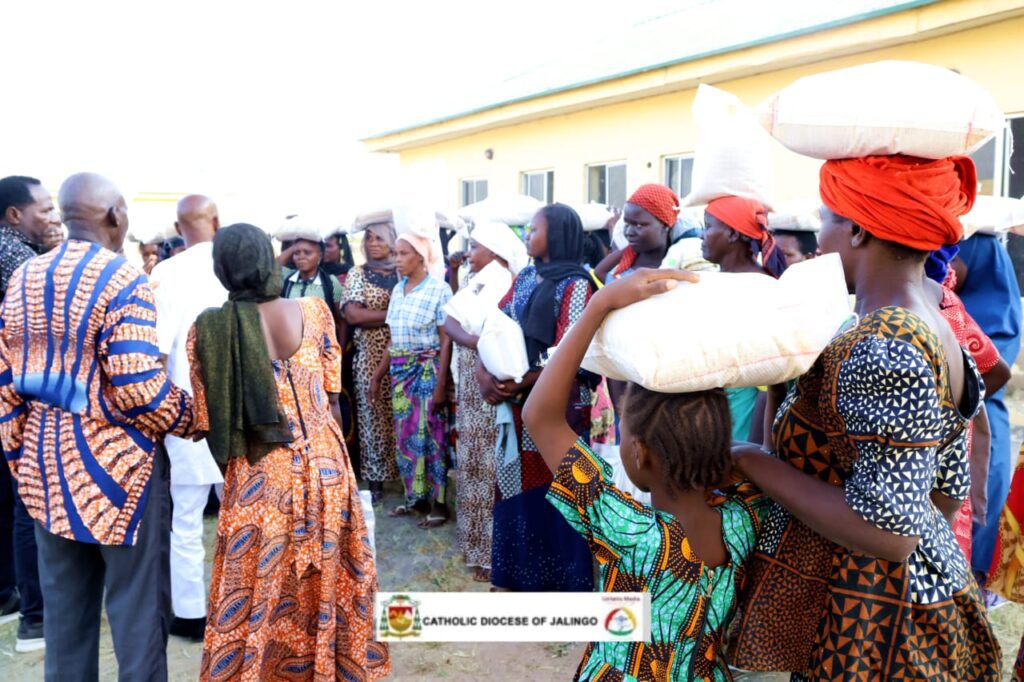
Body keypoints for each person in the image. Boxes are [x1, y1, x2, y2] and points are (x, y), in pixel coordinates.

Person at [731, 155, 1001, 679]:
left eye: (825, 221)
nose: (818, 240)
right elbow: (944, 492)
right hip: (926, 596)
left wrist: (750, 460)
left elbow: (890, 533)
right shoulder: (935, 319)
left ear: (857, 229)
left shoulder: (884, 343)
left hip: (875, 633)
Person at [523, 267, 770, 680]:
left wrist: (598, 305)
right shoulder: (746, 518)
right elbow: (766, 451)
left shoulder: (631, 532)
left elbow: (541, 417)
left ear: (640, 454)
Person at [0, 172, 195, 679]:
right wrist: (192, 417)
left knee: (65, 619)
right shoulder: (121, 277)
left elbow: (6, 378)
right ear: (114, 215)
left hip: (45, 472)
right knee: (136, 615)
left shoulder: (25, 277)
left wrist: (22, 457)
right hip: (118, 477)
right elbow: (137, 386)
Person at [188, 223, 389, 681]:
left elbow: (207, 421)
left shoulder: (209, 331)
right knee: (332, 584)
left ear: (222, 270)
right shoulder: (315, 312)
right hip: (328, 469)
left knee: (258, 594)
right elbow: (333, 397)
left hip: (260, 476)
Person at [477, 203, 595, 591]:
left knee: (558, 486)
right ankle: (519, 575)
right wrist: (485, 374)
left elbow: (569, 348)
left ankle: (560, 582)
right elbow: (496, 325)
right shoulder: (526, 275)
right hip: (518, 400)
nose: (527, 236)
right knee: (516, 481)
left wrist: (523, 380)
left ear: (557, 234)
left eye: (534, 229)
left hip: (556, 408)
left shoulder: (577, 284)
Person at [150, 194, 227, 643]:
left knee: (186, 520)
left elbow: (158, 354)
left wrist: (162, 417)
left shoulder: (166, 272)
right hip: (240, 412)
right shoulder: (241, 264)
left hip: (186, 414)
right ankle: (250, 604)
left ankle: (191, 616)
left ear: (179, 227)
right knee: (249, 515)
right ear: (217, 220)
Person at [444, 221, 525, 579]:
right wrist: (477, 343)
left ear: (494, 250)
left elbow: (487, 331)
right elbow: (452, 321)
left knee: (492, 468)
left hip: (489, 384)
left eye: (475, 247)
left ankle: (494, 554)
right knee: (475, 465)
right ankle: (477, 548)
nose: (470, 253)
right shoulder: (479, 280)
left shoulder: (502, 281)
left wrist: (477, 344)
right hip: (473, 383)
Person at [953, 232, 1024, 584]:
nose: (941, 267)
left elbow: (989, 370)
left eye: (952, 259)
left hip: (982, 433)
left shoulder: (994, 321)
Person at [0, 175, 52, 652]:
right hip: (14, 395)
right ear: (15, 215)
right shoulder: (17, 257)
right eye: (44, 208)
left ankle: (10, 598)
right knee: (25, 504)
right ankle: (35, 619)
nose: (52, 216)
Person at [372, 232, 453, 527]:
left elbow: (446, 342)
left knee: (432, 436)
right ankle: (415, 498)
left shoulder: (439, 290)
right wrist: (377, 376)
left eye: (403, 254)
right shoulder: (398, 290)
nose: (397, 260)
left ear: (420, 257)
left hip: (428, 371)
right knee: (406, 436)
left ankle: (439, 503)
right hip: (400, 373)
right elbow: (394, 340)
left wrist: (442, 385)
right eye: (396, 253)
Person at [701, 196, 788, 442]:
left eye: (708, 227)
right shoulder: (712, 285)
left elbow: (768, 384)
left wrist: (755, 448)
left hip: (741, 426)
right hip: (710, 422)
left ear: (731, 233)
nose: (701, 235)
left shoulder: (761, 292)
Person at [343, 222, 400, 504]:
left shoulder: (404, 270)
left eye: (379, 238)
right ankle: (375, 481)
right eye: (368, 238)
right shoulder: (358, 273)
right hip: (369, 356)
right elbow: (354, 316)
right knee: (372, 415)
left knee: (402, 416)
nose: (372, 243)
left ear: (392, 241)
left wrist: (378, 314)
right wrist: (399, 313)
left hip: (403, 353)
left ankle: (407, 478)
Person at [605, 184, 680, 282]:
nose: (628, 232)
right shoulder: (625, 261)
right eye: (627, 224)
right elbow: (600, 272)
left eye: (639, 225)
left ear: (665, 224)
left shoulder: (679, 265)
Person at [281, 234, 344, 318]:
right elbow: (274, 266)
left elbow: (340, 320)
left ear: (320, 256)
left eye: (307, 253)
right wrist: (295, 246)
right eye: (296, 253)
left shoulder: (330, 282)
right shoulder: (288, 278)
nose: (301, 257)